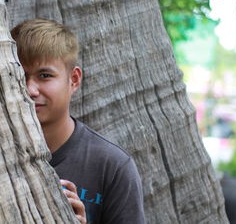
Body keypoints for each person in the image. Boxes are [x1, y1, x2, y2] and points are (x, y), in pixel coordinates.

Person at [11, 19, 145, 224]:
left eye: (45, 75)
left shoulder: (112, 166)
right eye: (20, 76)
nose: (30, 89)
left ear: (74, 79)